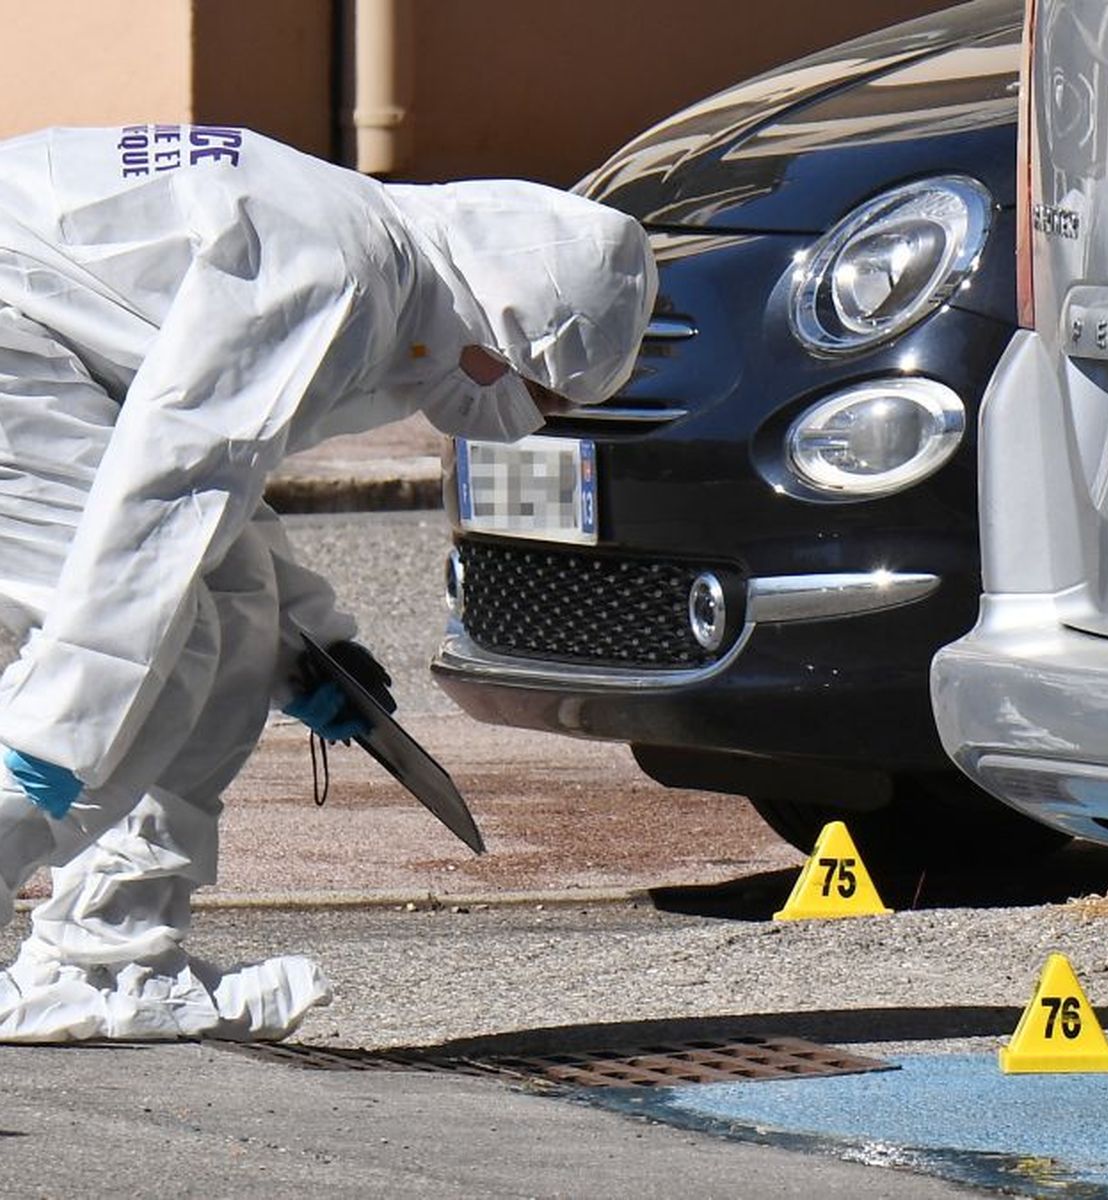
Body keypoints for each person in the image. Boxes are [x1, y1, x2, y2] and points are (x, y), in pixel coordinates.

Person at [0, 123, 657, 1041]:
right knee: (146, 648)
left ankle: (114, 959)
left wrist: (303, 636)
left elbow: (216, 465)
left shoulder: (385, 265)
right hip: (13, 347)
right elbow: (173, 480)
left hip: (38, 345)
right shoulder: (343, 273)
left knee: (226, 619)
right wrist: (54, 733)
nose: (522, 419)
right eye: (539, 392)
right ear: (503, 328)